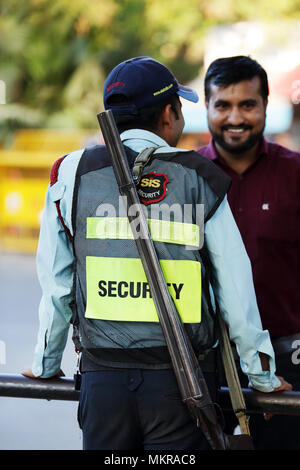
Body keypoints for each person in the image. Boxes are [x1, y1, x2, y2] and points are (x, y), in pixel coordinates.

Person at [23, 56, 291, 451]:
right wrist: (264, 378)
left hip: (103, 386)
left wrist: (46, 366)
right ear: (169, 114)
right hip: (183, 386)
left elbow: (58, 287)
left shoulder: (69, 173)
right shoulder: (201, 177)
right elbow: (236, 293)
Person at [198, 55, 300, 450]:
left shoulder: (294, 174)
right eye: (223, 105)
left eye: (247, 105)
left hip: (289, 359)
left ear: (265, 107)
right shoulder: (185, 179)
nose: (235, 117)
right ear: (207, 107)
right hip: (205, 364)